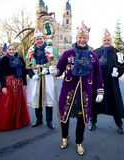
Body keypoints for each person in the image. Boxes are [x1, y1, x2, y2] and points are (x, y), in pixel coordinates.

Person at [50, 22, 104, 156]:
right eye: (80, 37)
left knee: (81, 118)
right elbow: (59, 69)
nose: (82, 39)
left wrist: (100, 90)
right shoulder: (68, 53)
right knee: (64, 116)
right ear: (76, 38)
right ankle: (64, 137)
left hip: (85, 92)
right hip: (68, 90)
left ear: (88, 39)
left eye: (84, 37)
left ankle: (79, 142)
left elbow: (98, 75)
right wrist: (54, 70)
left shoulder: (93, 56)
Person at [89, 29, 124, 134]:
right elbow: (89, 67)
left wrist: (118, 73)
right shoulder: (95, 52)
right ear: (102, 41)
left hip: (112, 83)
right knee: (95, 103)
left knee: (114, 103)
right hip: (98, 83)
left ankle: (119, 125)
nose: (107, 41)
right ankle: (93, 122)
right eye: (105, 40)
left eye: (109, 40)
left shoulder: (117, 53)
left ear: (111, 41)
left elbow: (123, 65)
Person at [0, 44, 30, 131]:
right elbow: (0, 74)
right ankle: (7, 123)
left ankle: (18, 122)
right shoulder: (3, 59)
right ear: (7, 50)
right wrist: (3, 86)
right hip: (8, 83)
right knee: (8, 103)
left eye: (13, 49)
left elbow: (23, 72)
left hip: (19, 84)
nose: (11, 51)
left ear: (16, 50)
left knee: (18, 102)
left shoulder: (19, 59)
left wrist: (24, 83)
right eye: (10, 49)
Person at [25, 28, 59, 129]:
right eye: (37, 39)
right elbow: (28, 64)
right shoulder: (31, 50)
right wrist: (32, 75)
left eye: (40, 38)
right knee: (37, 97)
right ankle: (39, 120)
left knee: (48, 96)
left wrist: (48, 70)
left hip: (47, 76)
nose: (39, 41)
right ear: (34, 40)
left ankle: (49, 121)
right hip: (36, 77)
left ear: (43, 38)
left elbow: (56, 63)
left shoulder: (51, 49)